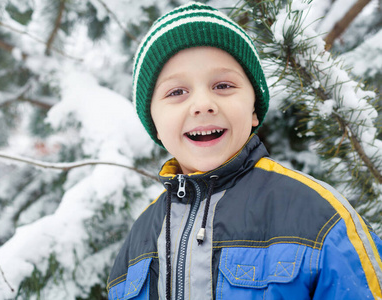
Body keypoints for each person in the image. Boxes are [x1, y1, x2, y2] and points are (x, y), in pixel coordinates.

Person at [107, 2, 382, 299]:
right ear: (155, 125)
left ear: (254, 109)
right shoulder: (138, 242)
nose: (202, 104)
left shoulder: (321, 218)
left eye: (223, 85)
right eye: (176, 92)